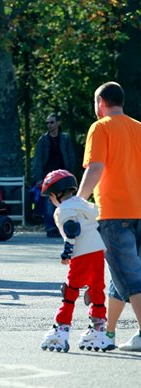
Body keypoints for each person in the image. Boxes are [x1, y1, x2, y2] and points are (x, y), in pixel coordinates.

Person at [78, 81, 141, 352]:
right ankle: (108, 332)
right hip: (139, 210)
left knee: (131, 279)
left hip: (114, 214)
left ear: (101, 102)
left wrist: (78, 202)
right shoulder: (138, 128)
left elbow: (96, 167)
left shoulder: (100, 127)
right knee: (121, 279)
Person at [39, 170, 113, 353]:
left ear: (57, 194)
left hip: (81, 253)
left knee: (71, 290)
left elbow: (72, 229)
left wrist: (67, 253)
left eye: (50, 196)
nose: (51, 200)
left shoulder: (63, 210)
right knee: (96, 288)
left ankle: (61, 330)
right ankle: (98, 330)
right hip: (97, 250)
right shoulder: (84, 203)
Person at [31, 113, 75, 237]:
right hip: (48, 176)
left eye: (52, 122)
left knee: (66, 202)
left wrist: (70, 174)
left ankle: (65, 227)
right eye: (47, 123)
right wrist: (39, 178)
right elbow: (38, 160)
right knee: (49, 203)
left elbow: (71, 157)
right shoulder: (43, 140)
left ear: (58, 123)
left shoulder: (65, 139)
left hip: (63, 176)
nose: (49, 125)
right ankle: (51, 228)